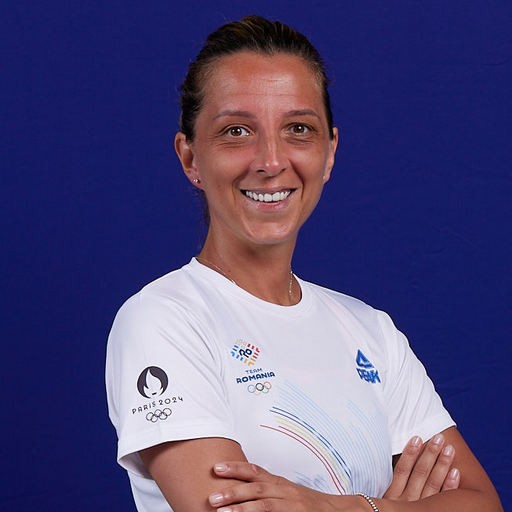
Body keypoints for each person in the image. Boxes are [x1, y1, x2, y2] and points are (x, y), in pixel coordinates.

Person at [105, 15, 503, 512]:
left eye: (298, 129)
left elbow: (481, 503)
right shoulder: (164, 320)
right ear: (190, 158)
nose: (271, 161)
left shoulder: (370, 332)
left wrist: (332, 506)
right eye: (236, 131)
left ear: (329, 152)